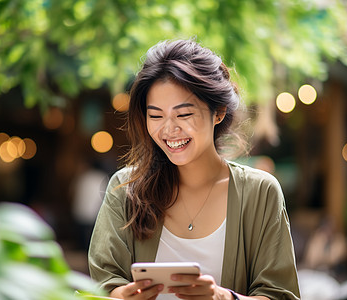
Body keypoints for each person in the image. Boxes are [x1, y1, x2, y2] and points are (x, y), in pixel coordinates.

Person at [88, 39, 300, 300]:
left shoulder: (259, 192)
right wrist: (122, 296)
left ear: (218, 112)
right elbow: (102, 285)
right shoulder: (126, 189)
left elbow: (281, 295)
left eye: (184, 114)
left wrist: (221, 297)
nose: (168, 129)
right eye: (155, 116)